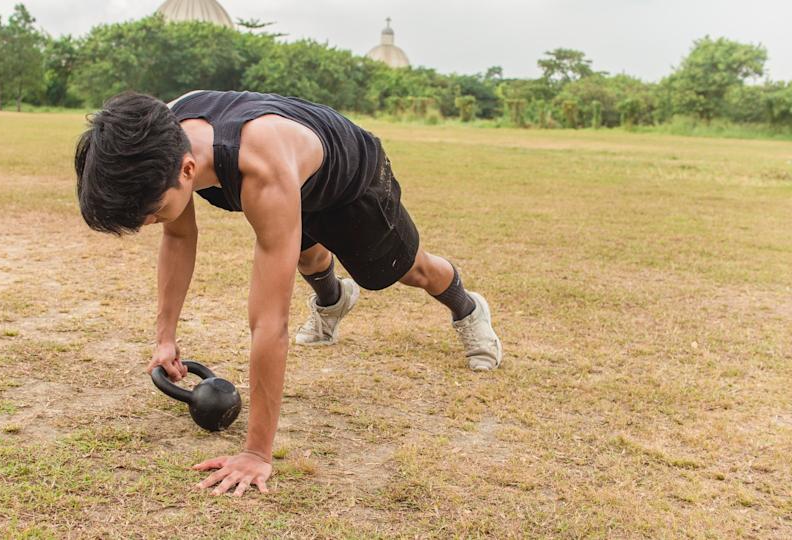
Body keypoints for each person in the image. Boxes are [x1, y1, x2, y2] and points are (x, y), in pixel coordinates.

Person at [74, 90, 502, 497]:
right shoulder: (164, 133)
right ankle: (333, 302)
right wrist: (165, 337)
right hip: (295, 176)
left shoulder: (260, 169)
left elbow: (269, 323)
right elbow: (179, 237)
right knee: (308, 259)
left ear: (188, 170)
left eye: (153, 213)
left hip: (351, 183)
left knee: (410, 270)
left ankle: (467, 308)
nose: (153, 222)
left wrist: (256, 452)